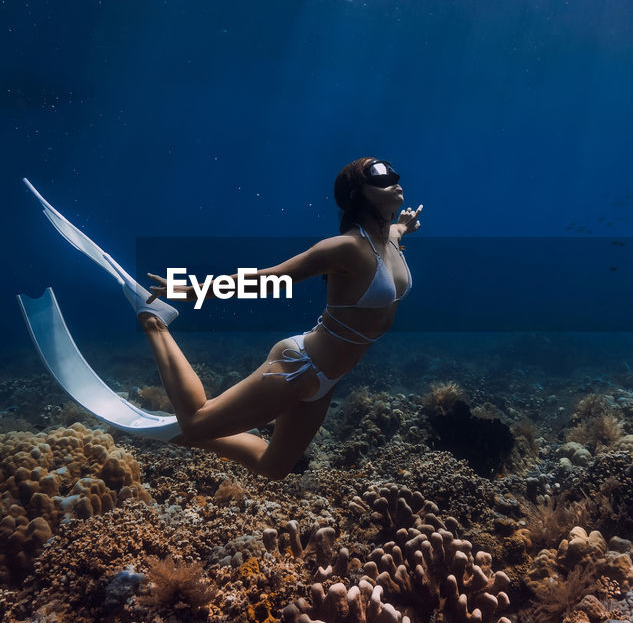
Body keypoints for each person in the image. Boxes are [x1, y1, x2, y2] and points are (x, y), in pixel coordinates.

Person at [136, 157, 422, 479]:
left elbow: (397, 230)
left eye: (393, 173)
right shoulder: (345, 248)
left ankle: (188, 437)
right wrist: (189, 291)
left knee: (274, 467)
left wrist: (405, 224)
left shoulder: (390, 240)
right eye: (380, 175)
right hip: (298, 366)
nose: (394, 179)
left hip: (327, 380)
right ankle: (155, 323)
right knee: (195, 421)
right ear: (358, 193)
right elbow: (267, 279)